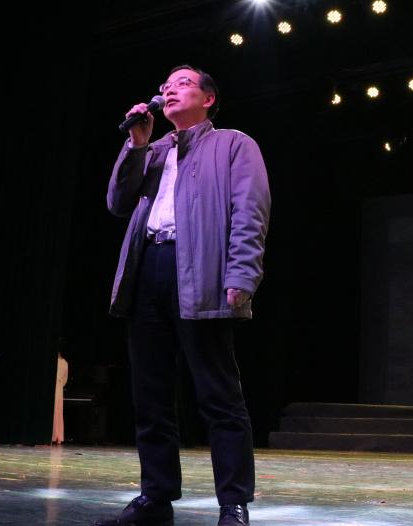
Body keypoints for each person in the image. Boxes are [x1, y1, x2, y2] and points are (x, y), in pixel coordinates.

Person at [98, 65, 270, 526]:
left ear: (208, 99)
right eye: (166, 86)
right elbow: (117, 202)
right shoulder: (152, 150)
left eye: (183, 84)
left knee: (219, 396)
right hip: (147, 270)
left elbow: (250, 213)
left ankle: (233, 503)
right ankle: (155, 499)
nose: (170, 90)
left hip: (201, 272)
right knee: (150, 397)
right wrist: (136, 143)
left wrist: (242, 274)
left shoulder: (234, 144)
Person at [52, 351, 68, 445]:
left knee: (54, 411)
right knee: (58, 411)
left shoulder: (54, 362)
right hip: (60, 388)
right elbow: (65, 379)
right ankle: (59, 437)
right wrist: (60, 384)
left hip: (55, 387)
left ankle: (54, 436)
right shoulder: (65, 362)